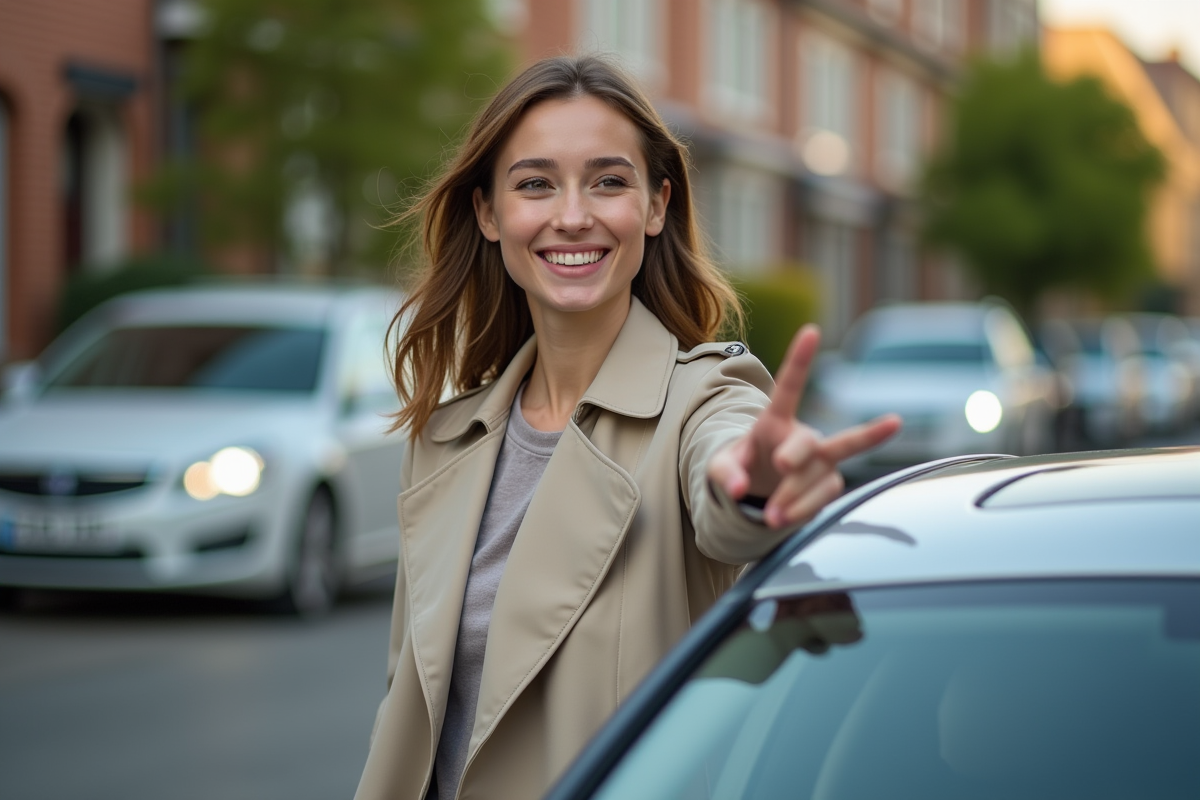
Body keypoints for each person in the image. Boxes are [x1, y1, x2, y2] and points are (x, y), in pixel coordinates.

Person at [354, 55, 900, 800]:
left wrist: (755, 488)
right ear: (488, 213)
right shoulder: (447, 437)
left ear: (655, 206)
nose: (572, 215)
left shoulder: (705, 400)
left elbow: (728, 479)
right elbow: (406, 717)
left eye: (608, 181)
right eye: (535, 183)